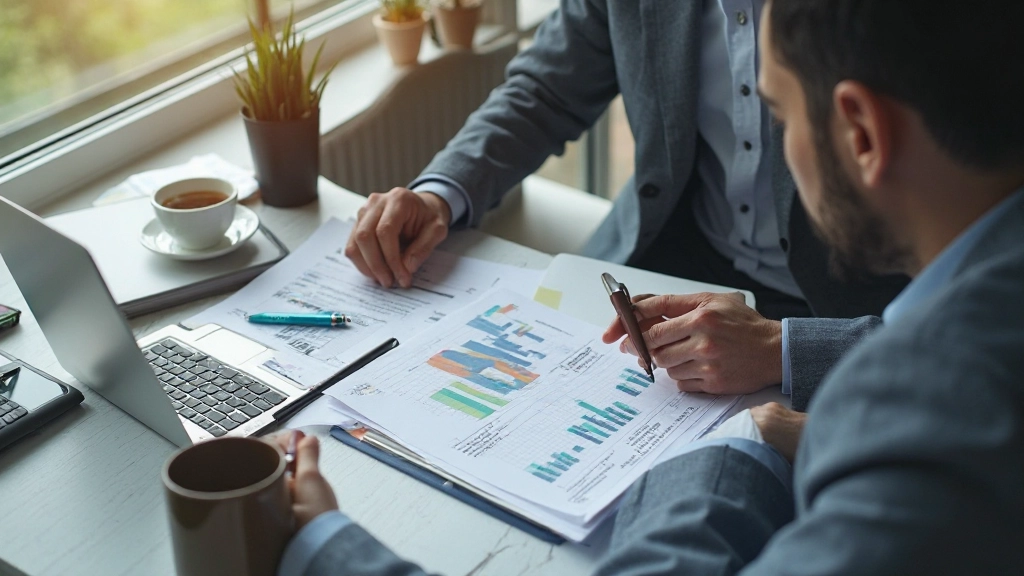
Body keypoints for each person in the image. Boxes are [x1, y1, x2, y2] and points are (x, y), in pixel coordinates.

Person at [276, 0, 1024, 573]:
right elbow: (548, 82)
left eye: (778, 109)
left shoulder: (922, 430)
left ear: (859, 131)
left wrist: (320, 541)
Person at [342, 0, 908, 412]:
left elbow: (979, 343)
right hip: (671, 261)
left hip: (856, 308)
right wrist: (439, 193)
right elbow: (545, 89)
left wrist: (783, 348)